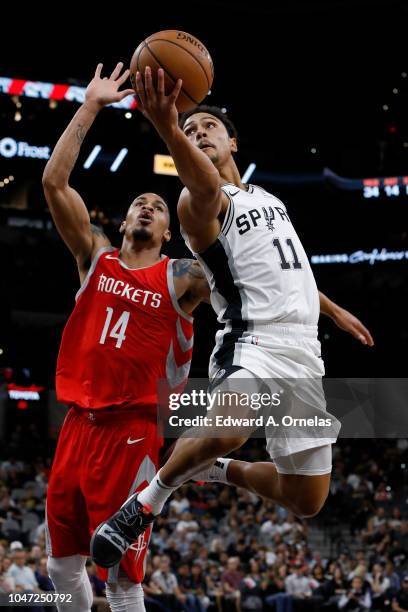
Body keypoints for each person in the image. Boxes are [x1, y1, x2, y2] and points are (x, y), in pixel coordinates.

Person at [91, 67, 374, 568]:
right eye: (192, 130)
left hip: (305, 351)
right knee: (232, 426)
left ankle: (216, 469)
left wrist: (332, 309)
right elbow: (202, 185)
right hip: (254, 342)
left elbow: (291, 268)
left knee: (307, 499)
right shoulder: (197, 204)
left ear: (234, 143)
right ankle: (144, 504)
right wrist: (169, 127)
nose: (199, 134)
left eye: (209, 129)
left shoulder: (269, 199)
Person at [42, 62, 210, 612]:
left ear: (170, 231)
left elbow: (247, 275)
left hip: (133, 432)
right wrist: (90, 105)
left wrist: (320, 306)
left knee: (120, 578)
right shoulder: (95, 257)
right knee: (59, 564)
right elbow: (53, 183)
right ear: (122, 221)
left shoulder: (183, 278)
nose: (148, 205)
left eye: (159, 207)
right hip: (77, 424)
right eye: (141, 201)